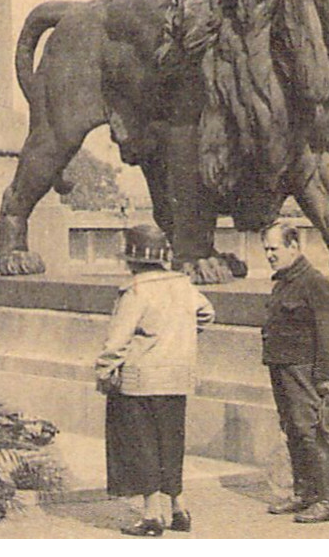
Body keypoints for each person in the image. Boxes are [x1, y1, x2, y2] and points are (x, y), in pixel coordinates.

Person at [96, 223, 215, 536]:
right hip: (177, 376)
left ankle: (151, 515)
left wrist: (104, 371)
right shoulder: (183, 285)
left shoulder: (135, 291)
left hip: (141, 380)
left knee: (144, 445)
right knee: (171, 442)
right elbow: (207, 313)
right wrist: (182, 336)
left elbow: (117, 341)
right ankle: (179, 507)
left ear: (132, 259)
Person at [260, 223, 329, 523]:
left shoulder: (314, 282)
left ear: (294, 246)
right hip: (282, 366)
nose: (269, 255)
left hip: (302, 370)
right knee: (293, 429)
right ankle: (304, 493)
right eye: (266, 249)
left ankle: (327, 500)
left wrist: (324, 376)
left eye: (275, 249)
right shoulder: (284, 282)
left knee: (309, 430)